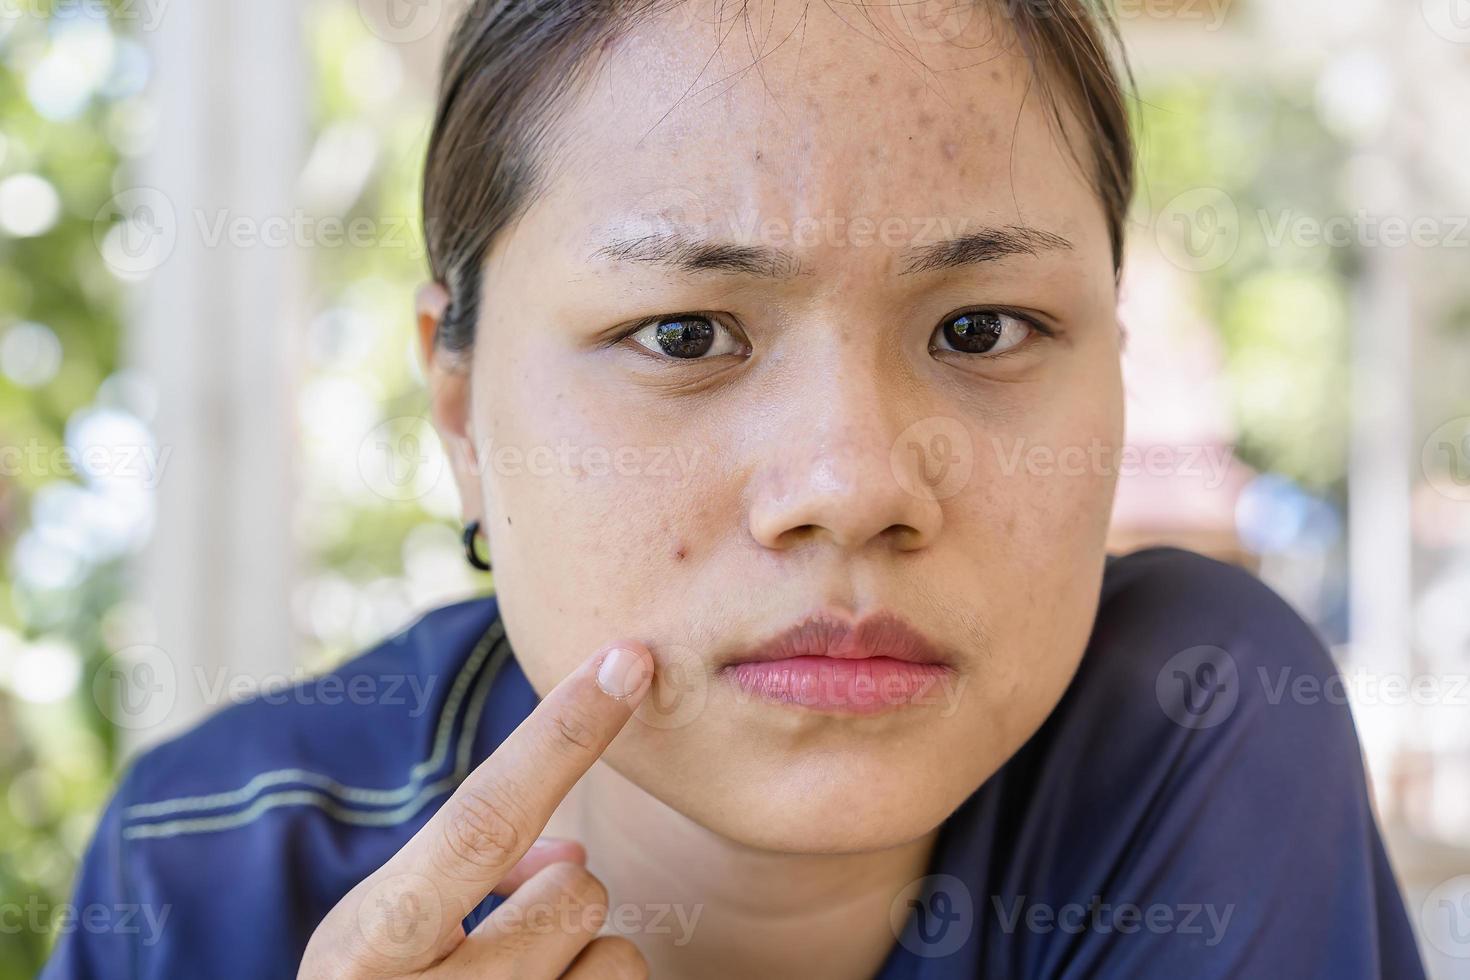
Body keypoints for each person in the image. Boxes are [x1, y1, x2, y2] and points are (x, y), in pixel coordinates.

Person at [45, 0, 1427, 977]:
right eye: (685, 336)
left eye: (978, 330)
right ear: (458, 403)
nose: (852, 486)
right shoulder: (206, 873)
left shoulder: (1188, 729)